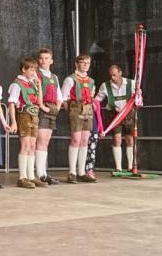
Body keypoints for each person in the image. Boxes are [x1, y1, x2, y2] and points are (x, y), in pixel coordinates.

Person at [8, 57, 43, 189]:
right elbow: (11, 103)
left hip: (34, 115)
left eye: (35, 70)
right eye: (31, 69)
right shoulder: (17, 84)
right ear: (24, 69)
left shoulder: (32, 83)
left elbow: (39, 102)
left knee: (32, 145)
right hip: (23, 115)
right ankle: (22, 177)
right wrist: (13, 122)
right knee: (25, 145)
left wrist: (39, 86)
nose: (34, 72)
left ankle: (31, 176)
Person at [95, 64, 137, 175]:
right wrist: (93, 104)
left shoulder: (131, 83)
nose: (112, 77)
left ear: (120, 72)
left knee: (130, 140)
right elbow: (97, 99)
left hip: (129, 115)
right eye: (110, 75)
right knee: (116, 139)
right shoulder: (105, 86)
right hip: (114, 115)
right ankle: (118, 168)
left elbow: (138, 98)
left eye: (114, 75)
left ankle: (130, 167)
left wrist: (139, 94)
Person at [61, 54, 96, 183]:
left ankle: (81, 172)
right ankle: (72, 172)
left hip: (88, 109)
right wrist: (70, 112)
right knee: (76, 139)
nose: (86, 65)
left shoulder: (91, 81)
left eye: (88, 63)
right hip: (75, 108)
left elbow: (91, 96)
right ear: (76, 64)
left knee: (85, 140)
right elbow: (64, 98)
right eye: (83, 62)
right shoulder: (70, 79)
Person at [33, 48, 63, 186]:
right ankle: (40, 174)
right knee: (40, 140)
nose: (43, 61)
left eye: (46, 58)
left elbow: (59, 96)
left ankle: (43, 173)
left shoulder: (54, 77)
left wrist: (56, 108)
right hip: (41, 108)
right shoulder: (36, 74)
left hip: (51, 109)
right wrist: (42, 106)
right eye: (41, 58)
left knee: (45, 142)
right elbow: (34, 92)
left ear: (51, 61)